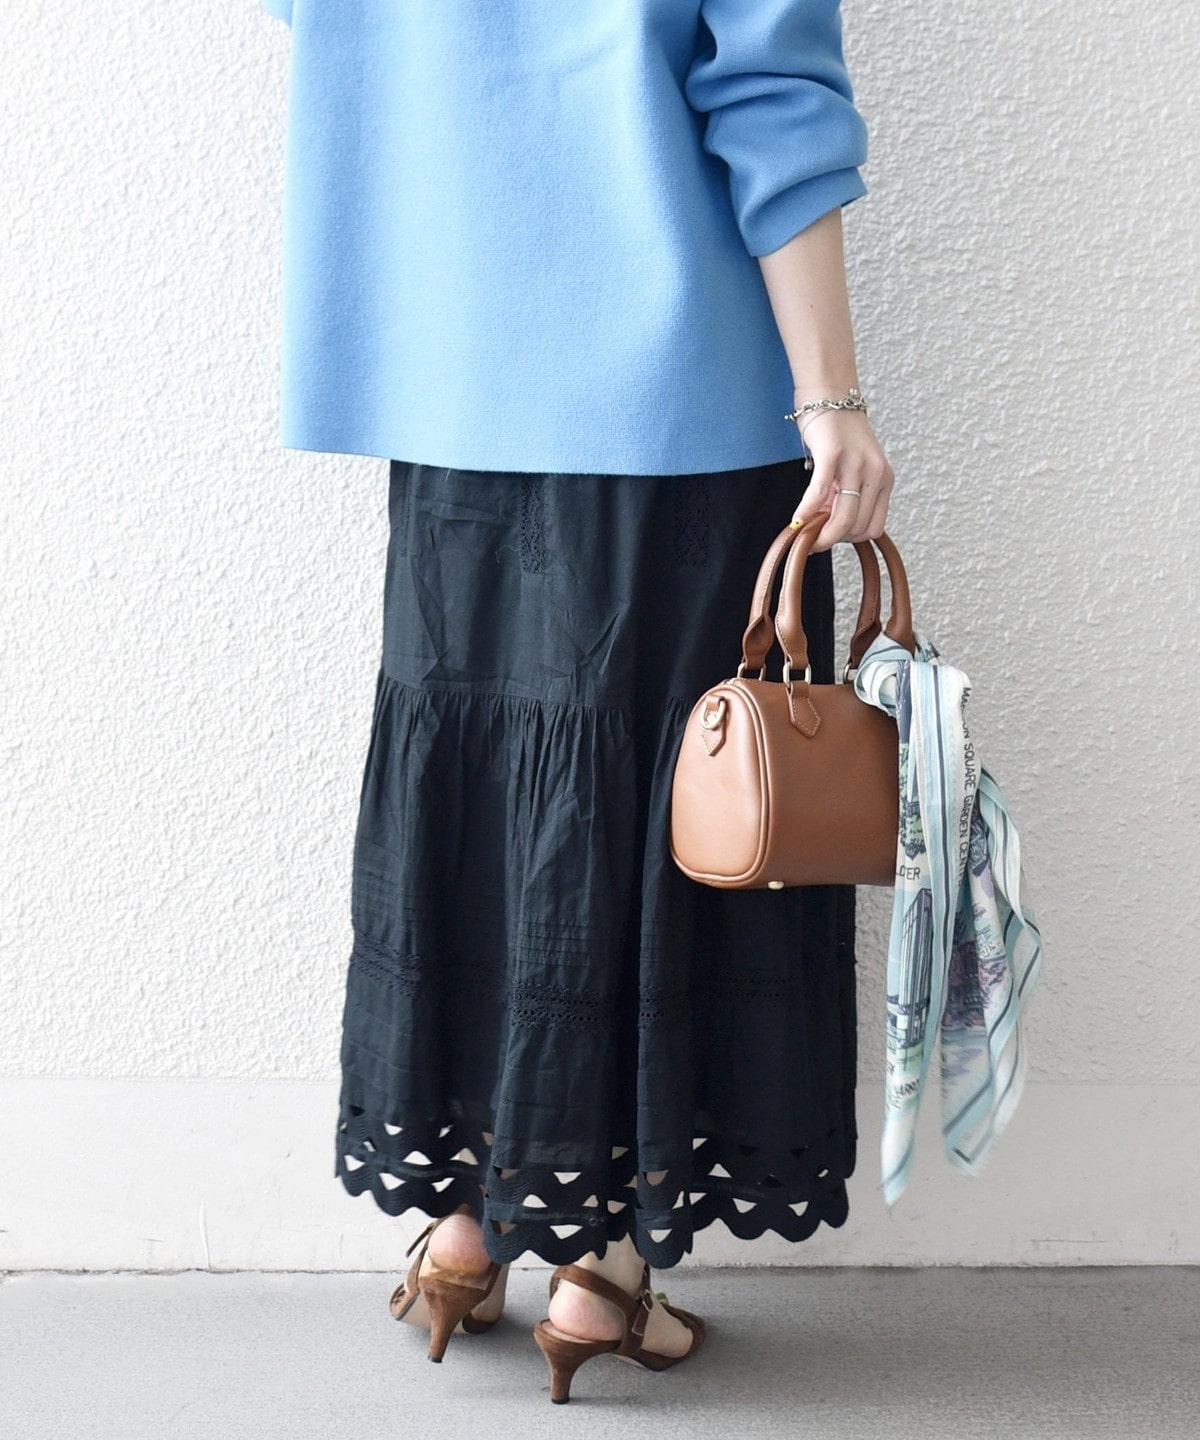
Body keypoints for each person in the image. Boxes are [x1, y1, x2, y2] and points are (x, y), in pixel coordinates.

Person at [261, 0, 894, 1403]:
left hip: (449, 376)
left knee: (489, 793)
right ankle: (601, 1266)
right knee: (658, 806)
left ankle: (467, 1229)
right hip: (675, 386)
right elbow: (771, 94)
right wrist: (831, 399)